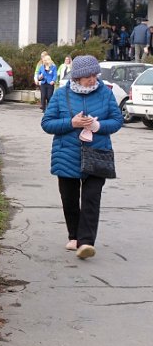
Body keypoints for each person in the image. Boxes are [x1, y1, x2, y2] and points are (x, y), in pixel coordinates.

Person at [41, 55, 122, 261]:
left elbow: (117, 120)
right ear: (76, 77)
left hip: (98, 155)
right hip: (66, 155)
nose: (93, 80)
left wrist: (98, 126)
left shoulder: (105, 93)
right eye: (88, 77)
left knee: (91, 199)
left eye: (95, 75)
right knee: (69, 199)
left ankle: (86, 242)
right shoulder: (61, 94)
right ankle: (74, 236)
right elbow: (47, 123)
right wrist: (72, 123)